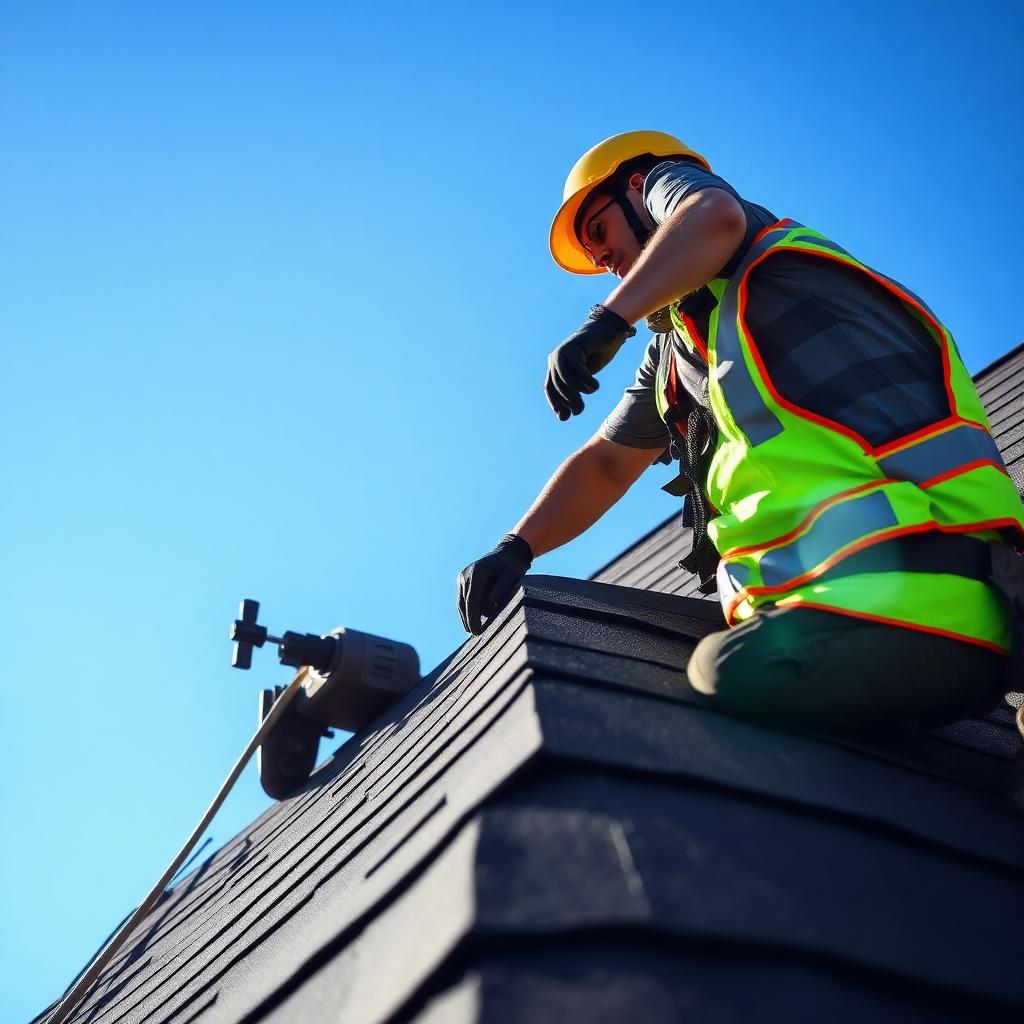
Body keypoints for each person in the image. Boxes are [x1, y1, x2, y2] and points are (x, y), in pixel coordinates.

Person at [457, 131, 1024, 732]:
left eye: (598, 231)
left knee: (723, 673)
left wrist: (609, 320)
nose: (600, 259)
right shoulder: (680, 350)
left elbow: (712, 216)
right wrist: (516, 547)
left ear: (640, 192)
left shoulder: (755, 245)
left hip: (928, 590)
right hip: (850, 607)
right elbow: (606, 462)